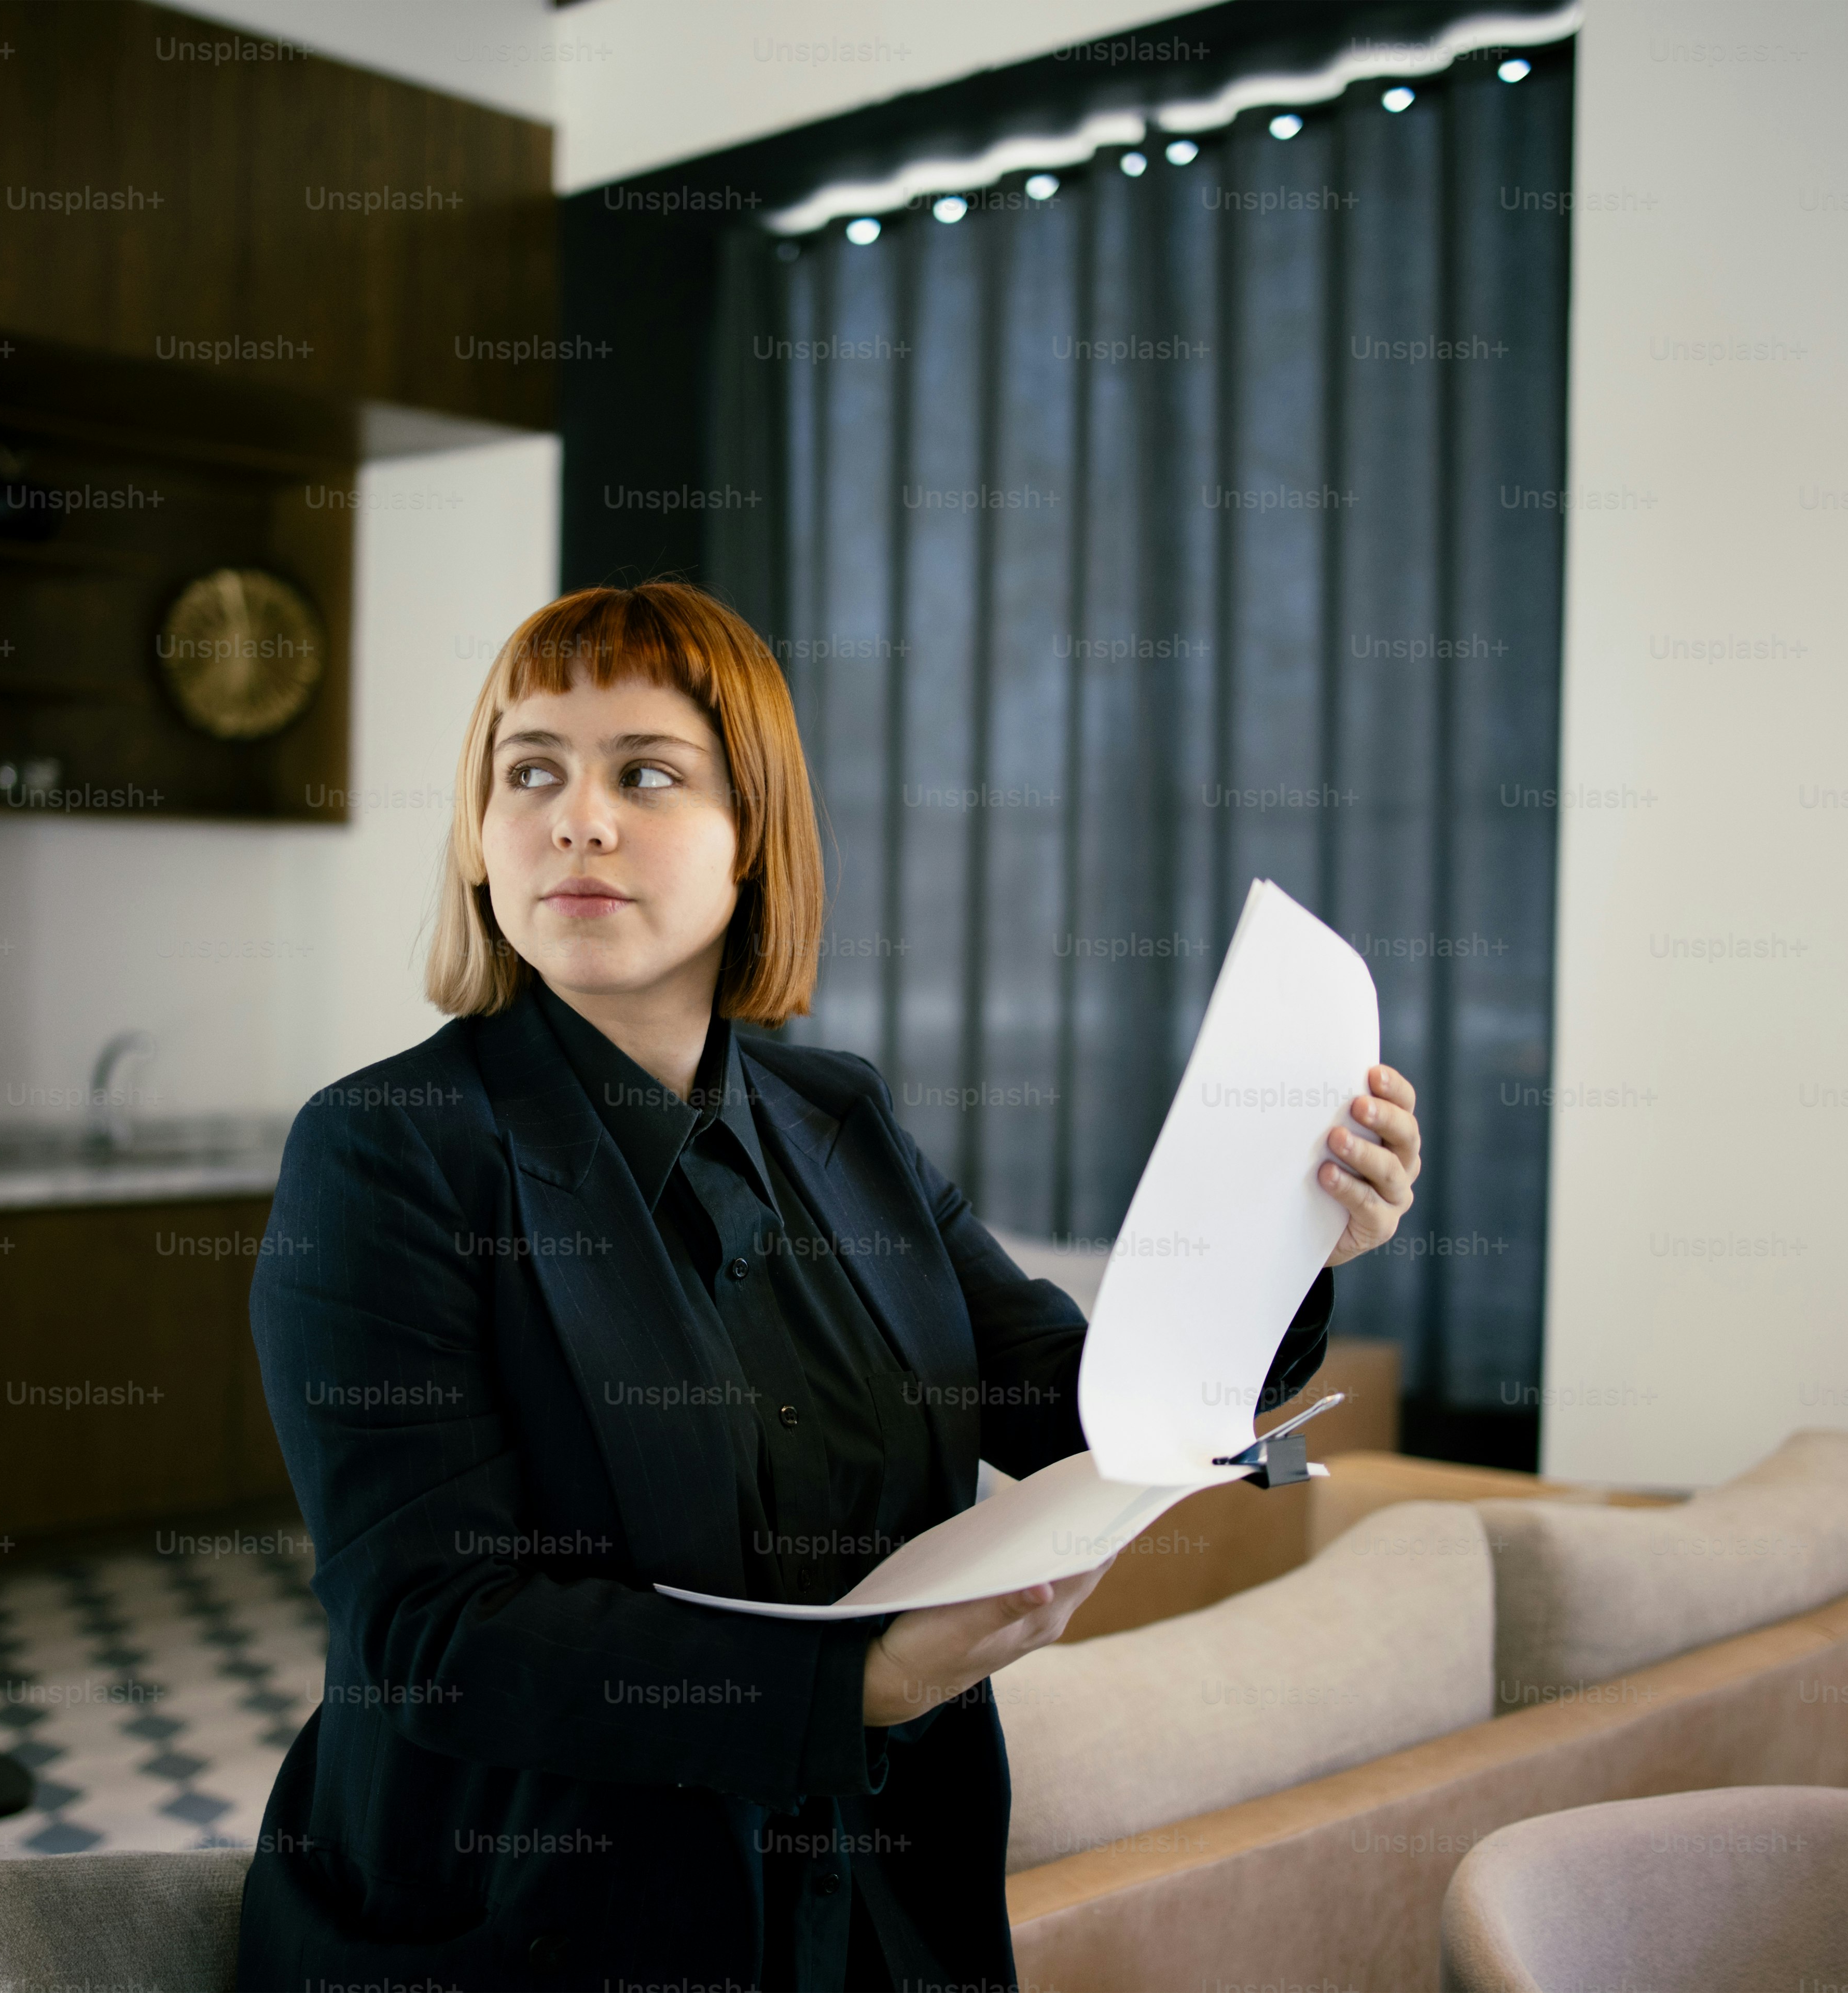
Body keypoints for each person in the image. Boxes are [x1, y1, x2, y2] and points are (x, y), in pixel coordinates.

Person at [236, 582, 1423, 1993]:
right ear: (482, 837)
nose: (579, 817)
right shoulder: (386, 1151)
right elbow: (434, 1633)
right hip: (532, 1924)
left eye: (648, 774)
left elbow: (1075, 1406)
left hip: (873, 1908)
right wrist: (852, 1687)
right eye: (531, 769)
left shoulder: (841, 1118)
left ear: (755, 841)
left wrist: (1292, 1240)